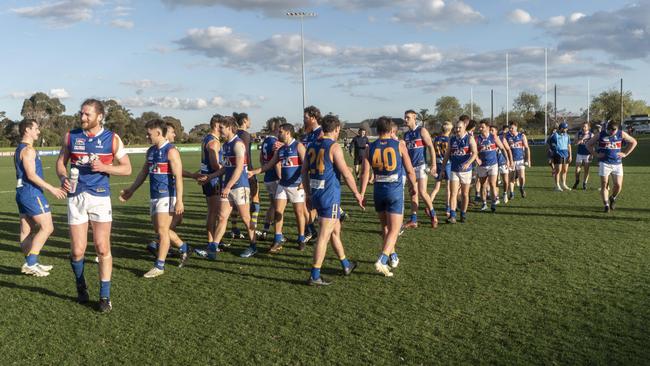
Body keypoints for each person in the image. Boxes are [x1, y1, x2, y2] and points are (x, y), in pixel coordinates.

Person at [56, 99, 132, 313]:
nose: (82, 118)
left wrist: (105, 167)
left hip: (100, 197)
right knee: (78, 250)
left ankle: (105, 296)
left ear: (100, 116)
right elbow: (61, 162)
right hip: (76, 197)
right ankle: (81, 285)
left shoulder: (112, 139)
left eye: (87, 114)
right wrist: (63, 177)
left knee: (102, 247)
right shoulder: (71, 136)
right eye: (81, 113)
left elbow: (127, 168)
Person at [119, 119, 189, 278]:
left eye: (149, 133)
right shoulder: (150, 151)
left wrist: (179, 200)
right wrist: (131, 190)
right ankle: (184, 247)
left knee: (163, 231)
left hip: (167, 195)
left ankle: (159, 265)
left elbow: (178, 177)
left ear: (158, 133)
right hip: (154, 196)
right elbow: (143, 173)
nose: (146, 136)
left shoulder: (171, 151)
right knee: (160, 231)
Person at [302, 114, 364, 285]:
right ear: (336, 129)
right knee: (324, 236)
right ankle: (315, 275)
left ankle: (346, 264)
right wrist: (357, 194)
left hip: (316, 194)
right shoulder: (334, 147)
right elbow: (346, 173)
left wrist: (308, 194)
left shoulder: (312, 145)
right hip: (329, 197)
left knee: (335, 230)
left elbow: (304, 172)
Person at [361, 117, 417, 277]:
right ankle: (383, 259)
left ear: (376, 130)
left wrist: (361, 194)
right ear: (391, 130)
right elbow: (410, 170)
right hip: (394, 191)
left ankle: (393, 256)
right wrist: (413, 186)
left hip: (378, 191)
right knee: (395, 229)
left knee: (385, 228)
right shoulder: (399, 145)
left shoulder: (369, 147)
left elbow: (365, 173)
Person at [14, 119, 67, 277]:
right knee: (47, 227)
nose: (38, 131)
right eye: (36, 128)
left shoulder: (19, 149)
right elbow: (31, 175)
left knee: (26, 229)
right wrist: (52, 189)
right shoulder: (29, 150)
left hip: (22, 192)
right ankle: (31, 263)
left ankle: (31, 263)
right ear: (27, 130)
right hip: (31, 193)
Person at [202, 116, 257, 258]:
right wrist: (210, 177)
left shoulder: (238, 144)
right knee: (222, 217)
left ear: (230, 128)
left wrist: (228, 187)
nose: (220, 130)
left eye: (222, 128)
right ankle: (213, 248)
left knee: (245, 218)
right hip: (229, 187)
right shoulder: (226, 145)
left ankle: (253, 245)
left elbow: (239, 169)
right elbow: (225, 169)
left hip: (240, 187)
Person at [249, 124, 308, 252]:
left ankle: (301, 238)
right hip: (282, 185)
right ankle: (277, 240)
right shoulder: (280, 149)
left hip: (296, 186)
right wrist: (254, 172)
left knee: (299, 213)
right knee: (278, 212)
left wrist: (303, 181)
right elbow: (268, 165)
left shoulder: (298, 146)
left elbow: (306, 165)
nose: (278, 134)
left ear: (288, 133)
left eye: (280, 132)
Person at [588, 120, 637, 212]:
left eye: (614, 130)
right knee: (604, 184)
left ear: (617, 129)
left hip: (617, 163)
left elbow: (634, 142)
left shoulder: (621, 134)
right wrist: (596, 154)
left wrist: (625, 153)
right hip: (604, 163)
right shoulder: (600, 134)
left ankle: (613, 197)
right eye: (610, 130)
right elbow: (588, 144)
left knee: (618, 185)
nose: (612, 132)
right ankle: (606, 205)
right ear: (607, 129)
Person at [402, 109, 438, 229]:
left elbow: (431, 147)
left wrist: (433, 164)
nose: (406, 119)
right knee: (413, 193)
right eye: (405, 117)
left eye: (408, 117)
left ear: (414, 117)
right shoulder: (406, 135)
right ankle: (414, 220)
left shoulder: (421, 130)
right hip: (410, 168)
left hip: (421, 165)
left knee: (422, 192)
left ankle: (433, 214)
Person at [195, 115, 222, 259]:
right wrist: (227, 168)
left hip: (207, 178)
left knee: (212, 212)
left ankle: (212, 241)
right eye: (222, 125)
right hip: (213, 179)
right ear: (217, 125)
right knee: (214, 212)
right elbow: (214, 164)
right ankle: (211, 243)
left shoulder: (206, 138)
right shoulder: (213, 142)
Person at [441, 119, 478, 223]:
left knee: (465, 194)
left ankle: (463, 213)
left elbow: (475, 153)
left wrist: (468, 163)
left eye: (459, 128)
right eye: (456, 127)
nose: (457, 130)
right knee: (453, 193)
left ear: (464, 128)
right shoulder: (452, 139)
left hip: (466, 171)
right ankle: (452, 215)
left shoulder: (470, 138)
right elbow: (447, 154)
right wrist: (443, 168)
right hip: (454, 169)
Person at [257, 117, 283, 241]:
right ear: (278, 128)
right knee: (279, 207)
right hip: (275, 177)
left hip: (268, 177)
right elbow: (277, 163)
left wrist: (265, 168)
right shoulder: (275, 143)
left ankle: (265, 230)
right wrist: (281, 177)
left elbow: (261, 159)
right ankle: (278, 235)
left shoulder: (265, 141)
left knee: (272, 205)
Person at [476, 120, 511, 212]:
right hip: (482, 165)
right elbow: (473, 151)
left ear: (487, 128)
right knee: (483, 185)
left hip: (493, 164)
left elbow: (502, 148)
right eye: (479, 127)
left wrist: (507, 160)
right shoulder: (477, 138)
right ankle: (484, 204)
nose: (480, 129)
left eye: (482, 127)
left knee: (492, 184)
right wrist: (476, 159)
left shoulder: (493, 137)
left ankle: (493, 203)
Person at [301, 106, 323, 239]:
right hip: (307, 172)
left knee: (306, 203)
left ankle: (311, 230)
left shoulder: (321, 132)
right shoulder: (309, 134)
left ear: (313, 118)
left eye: (306, 117)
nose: (304, 119)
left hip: (317, 173)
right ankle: (311, 229)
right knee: (310, 203)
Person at [504, 121, 531, 199]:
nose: (511, 129)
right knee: (511, 177)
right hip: (511, 160)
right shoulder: (507, 136)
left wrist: (528, 159)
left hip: (520, 159)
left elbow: (526, 148)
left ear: (516, 127)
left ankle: (521, 188)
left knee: (521, 177)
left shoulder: (522, 136)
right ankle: (512, 193)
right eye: (510, 128)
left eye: (512, 128)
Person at [431, 122, 452, 216]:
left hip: (438, 163)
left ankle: (429, 205)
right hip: (447, 164)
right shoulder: (449, 140)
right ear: (450, 130)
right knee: (448, 188)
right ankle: (448, 209)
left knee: (436, 188)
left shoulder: (436, 139)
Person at [548, 122, 572, 191]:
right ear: (561, 128)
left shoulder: (567, 136)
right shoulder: (555, 135)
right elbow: (549, 143)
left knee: (565, 170)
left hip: (566, 154)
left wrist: (570, 155)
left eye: (566, 128)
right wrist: (551, 155)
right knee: (558, 170)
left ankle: (564, 184)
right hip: (558, 154)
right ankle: (557, 186)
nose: (566, 129)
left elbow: (569, 145)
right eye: (565, 128)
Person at [494, 125, 513, 204]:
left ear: (496, 132)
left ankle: (505, 193)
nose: (491, 132)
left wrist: (510, 161)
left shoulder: (501, 138)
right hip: (494, 163)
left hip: (503, 162)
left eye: (492, 130)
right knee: (495, 182)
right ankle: (496, 197)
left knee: (505, 181)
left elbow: (508, 150)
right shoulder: (488, 139)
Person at [572, 122, 593, 190]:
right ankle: (577, 180)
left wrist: (592, 154)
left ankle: (584, 183)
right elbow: (574, 143)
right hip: (580, 153)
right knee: (577, 170)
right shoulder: (579, 133)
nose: (583, 128)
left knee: (586, 170)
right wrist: (580, 140)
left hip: (587, 154)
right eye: (583, 126)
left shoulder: (591, 135)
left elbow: (593, 145)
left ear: (588, 127)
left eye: (585, 127)